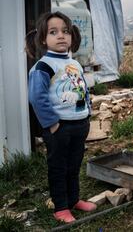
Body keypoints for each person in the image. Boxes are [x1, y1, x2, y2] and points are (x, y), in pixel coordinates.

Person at [27, 11, 96, 223]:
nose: (61, 36)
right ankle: (61, 207)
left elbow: (83, 89)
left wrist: (88, 112)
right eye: (53, 32)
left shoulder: (74, 64)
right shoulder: (43, 66)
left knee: (74, 164)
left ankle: (74, 199)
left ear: (72, 36)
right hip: (59, 128)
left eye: (65, 31)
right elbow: (37, 98)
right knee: (58, 167)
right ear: (42, 39)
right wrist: (52, 124)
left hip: (79, 124)